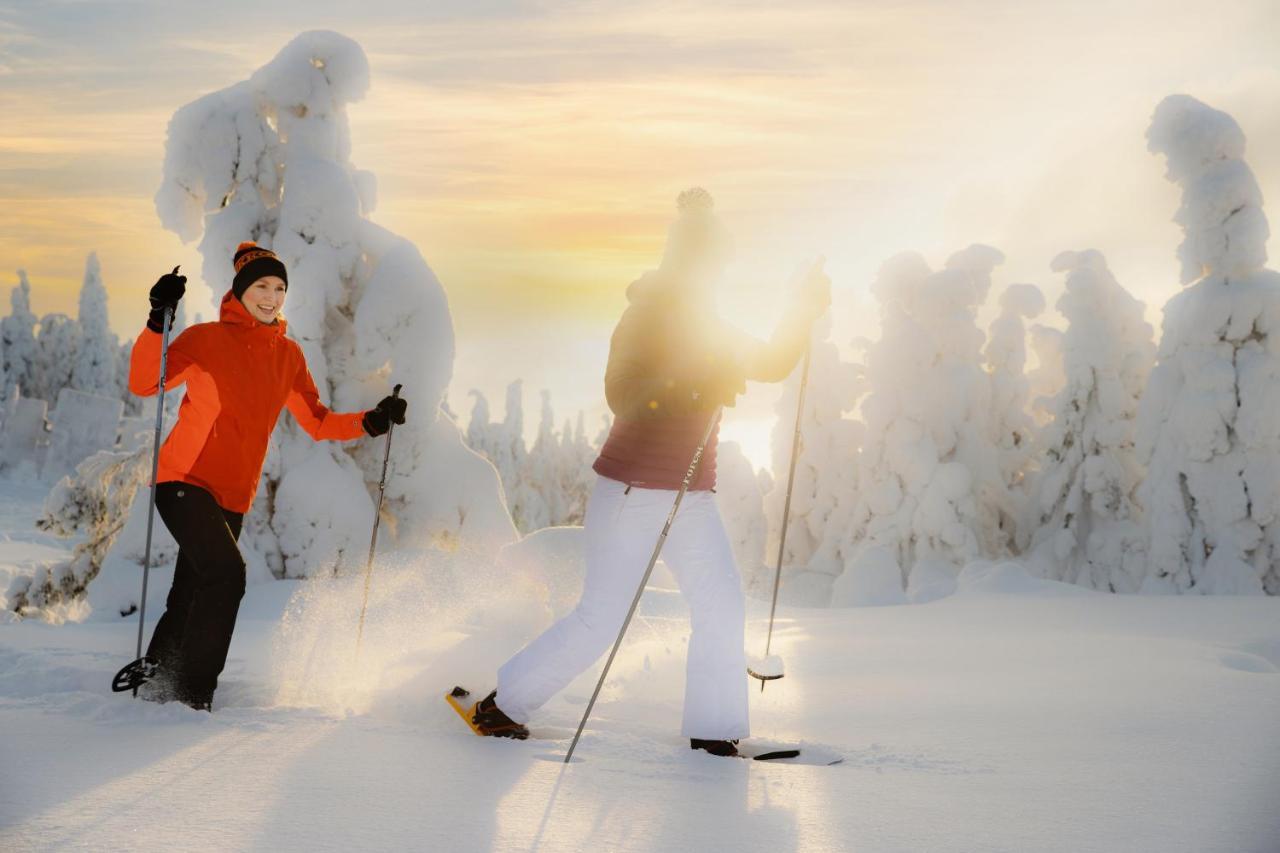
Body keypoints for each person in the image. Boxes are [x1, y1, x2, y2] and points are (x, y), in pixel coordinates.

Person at [472, 188, 830, 756]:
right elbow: (622, 392)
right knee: (601, 617)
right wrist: (691, 385)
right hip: (632, 489)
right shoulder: (647, 314)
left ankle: (714, 731)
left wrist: (802, 308)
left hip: (693, 495)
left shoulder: (712, 322)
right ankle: (501, 706)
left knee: (721, 604)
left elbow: (770, 361)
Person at [118, 242, 408, 710]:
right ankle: (193, 694)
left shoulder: (287, 356)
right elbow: (145, 382)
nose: (270, 296)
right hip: (184, 479)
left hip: (233, 495)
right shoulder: (206, 339)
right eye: (261, 287)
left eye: (279, 287)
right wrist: (157, 320)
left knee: (192, 589)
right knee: (227, 575)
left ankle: (158, 680)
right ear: (240, 292)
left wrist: (370, 421)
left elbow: (315, 420)